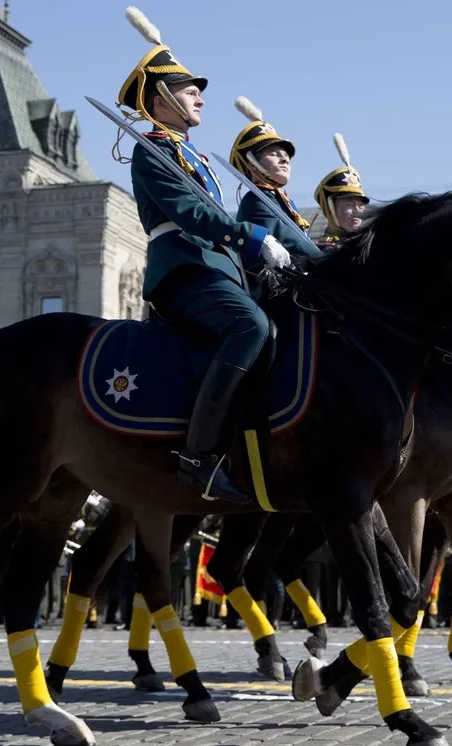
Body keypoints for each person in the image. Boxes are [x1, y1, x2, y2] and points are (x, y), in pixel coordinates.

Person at [116, 8, 291, 504]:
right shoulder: (151, 149)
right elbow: (191, 214)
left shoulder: (192, 154)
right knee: (249, 328)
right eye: (191, 90)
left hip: (220, 269)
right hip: (184, 269)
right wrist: (252, 237)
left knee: (275, 329)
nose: (200, 97)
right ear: (161, 98)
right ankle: (197, 457)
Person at [229, 96, 314, 257]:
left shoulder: (283, 201)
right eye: (274, 154)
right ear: (252, 161)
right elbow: (293, 242)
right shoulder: (257, 201)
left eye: (286, 156)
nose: (284, 159)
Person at [313, 133, 370, 246]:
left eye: (360, 205)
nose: (356, 211)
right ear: (331, 208)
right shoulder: (323, 252)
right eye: (349, 205)